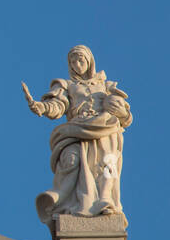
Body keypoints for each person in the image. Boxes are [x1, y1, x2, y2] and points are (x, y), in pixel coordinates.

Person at [24, 45, 131, 224]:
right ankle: (62, 199)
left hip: (105, 126)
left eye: (80, 60)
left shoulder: (105, 86)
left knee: (107, 164)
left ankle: (105, 200)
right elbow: (58, 106)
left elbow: (126, 116)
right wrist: (42, 107)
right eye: (73, 61)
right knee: (71, 160)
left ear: (89, 62)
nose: (77, 64)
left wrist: (122, 112)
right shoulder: (67, 86)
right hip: (77, 129)